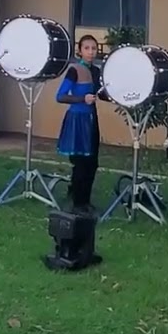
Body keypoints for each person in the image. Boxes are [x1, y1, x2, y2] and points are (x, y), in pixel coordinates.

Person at [55, 34, 104, 215]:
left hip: (92, 119)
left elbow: (101, 93)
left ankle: (86, 201)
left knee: (92, 163)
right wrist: (82, 99)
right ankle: (77, 203)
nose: (91, 52)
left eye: (94, 48)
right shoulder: (74, 70)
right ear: (80, 51)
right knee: (80, 164)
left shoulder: (96, 71)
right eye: (87, 48)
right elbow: (60, 96)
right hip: (77, 120)